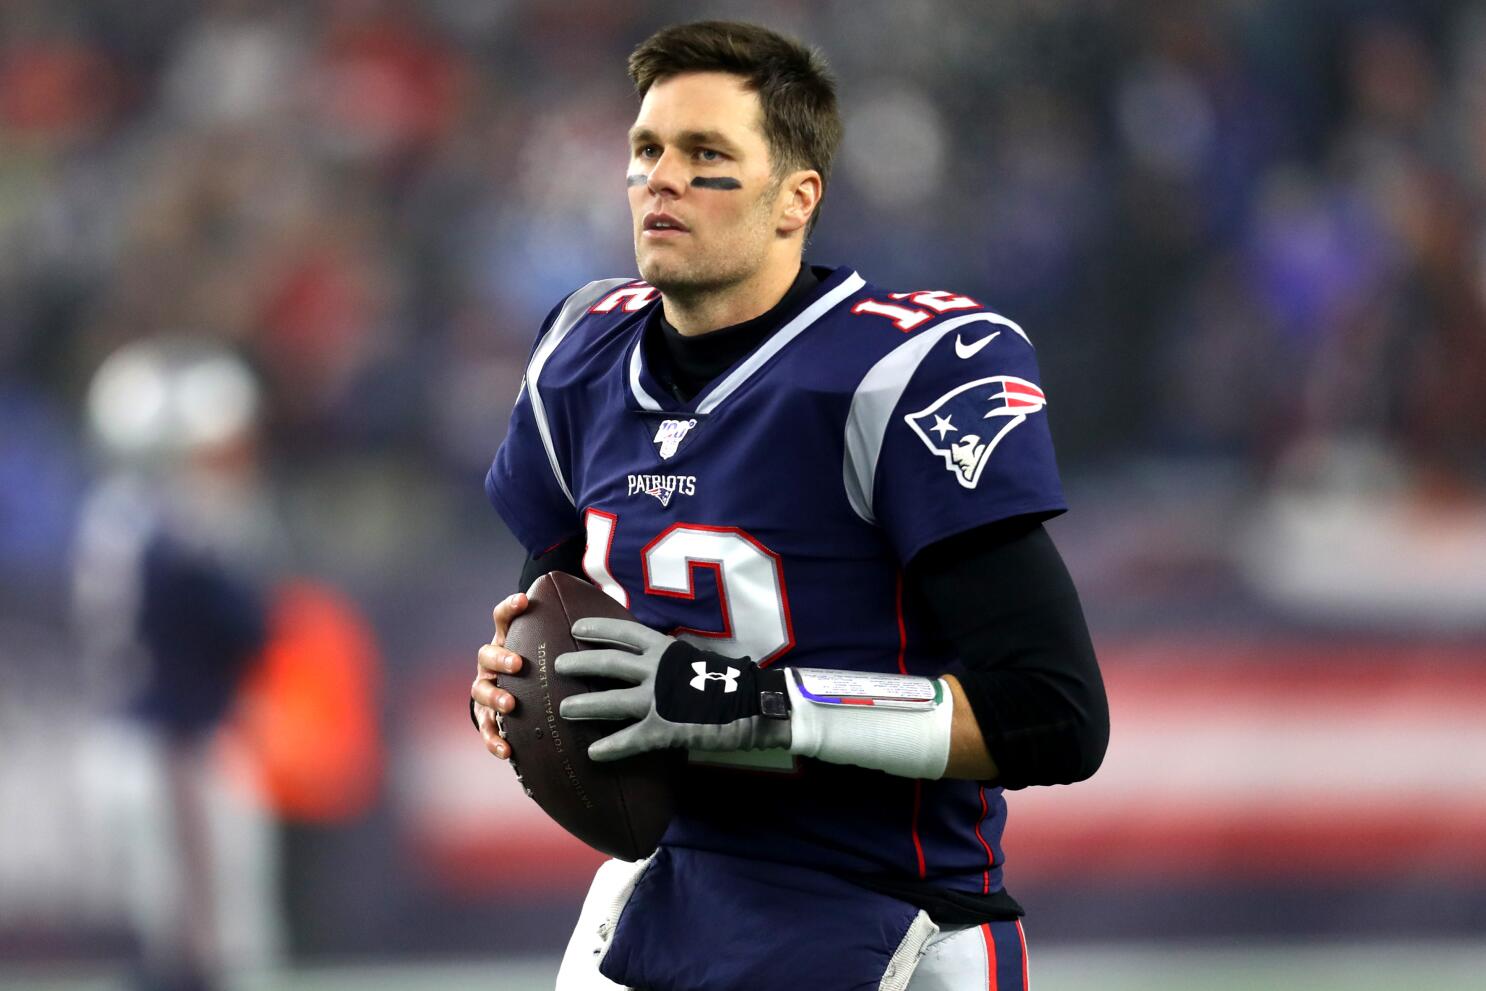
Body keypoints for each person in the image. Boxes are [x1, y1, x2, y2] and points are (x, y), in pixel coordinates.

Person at [470, 20, 1108, 991]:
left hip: (887, 901)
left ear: (794, 198)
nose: (661, 180)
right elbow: (554, 597)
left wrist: (756, 705)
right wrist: (518, 677)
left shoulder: (894, 373)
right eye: (646, 150)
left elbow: (1055, 716)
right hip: (670, 890)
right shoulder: (581, 355)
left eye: (706, 155)